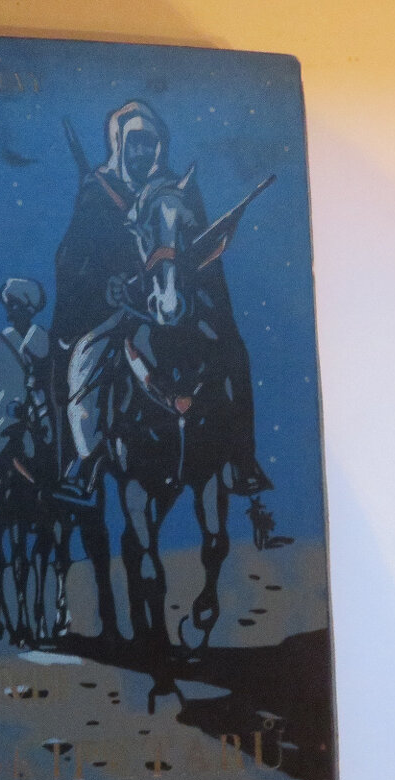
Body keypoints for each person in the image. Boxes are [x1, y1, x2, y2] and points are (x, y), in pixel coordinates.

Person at [51, 99, 271, 503]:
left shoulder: (178, 189)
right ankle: (83, 462)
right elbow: (71, 258)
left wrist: (195, 288)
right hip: (120, 307)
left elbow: (202, 254)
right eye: (134, 141)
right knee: (82, 363)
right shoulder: (97, 192)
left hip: (177, 300)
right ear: (118, 142)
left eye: (149, 143)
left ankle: (241, 457)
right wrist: (105, 285)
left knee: (233, 354)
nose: (141, 151)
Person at [0, 277, 51, 522]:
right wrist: (12, 405)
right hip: (8, 419)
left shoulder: (42, 339)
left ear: (28, 309)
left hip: (40, 413)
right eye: (9, 306)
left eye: (15, 306)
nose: (11, 312)